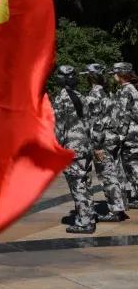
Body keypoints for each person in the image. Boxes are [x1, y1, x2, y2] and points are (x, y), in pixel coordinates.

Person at [52, 65, 96, 234]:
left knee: (77, 185)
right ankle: (89, 216)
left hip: (72, 148)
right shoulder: (80, 96)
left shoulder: (61, 98)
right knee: (85, 183)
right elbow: (89, 122)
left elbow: (59, 127)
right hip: (85, 146)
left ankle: (84, 223)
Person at [83, 64, 128, 222]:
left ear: (90, 77)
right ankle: (120, 207)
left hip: (103, 141)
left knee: (107, 176)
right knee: (115, 173)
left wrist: (97, 146)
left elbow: (97, 122)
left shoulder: (94, 94)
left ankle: (116, 211)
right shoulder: (106, 92)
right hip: (112, 138)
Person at [114, 62, 138, 208]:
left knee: (132, 166)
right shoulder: (132, 89)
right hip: (134, 132)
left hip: (130, 134)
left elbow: (124, 115)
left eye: (115, 73)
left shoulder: (125, 90)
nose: (114, 76)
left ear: (122, 74)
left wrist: (120, 135)